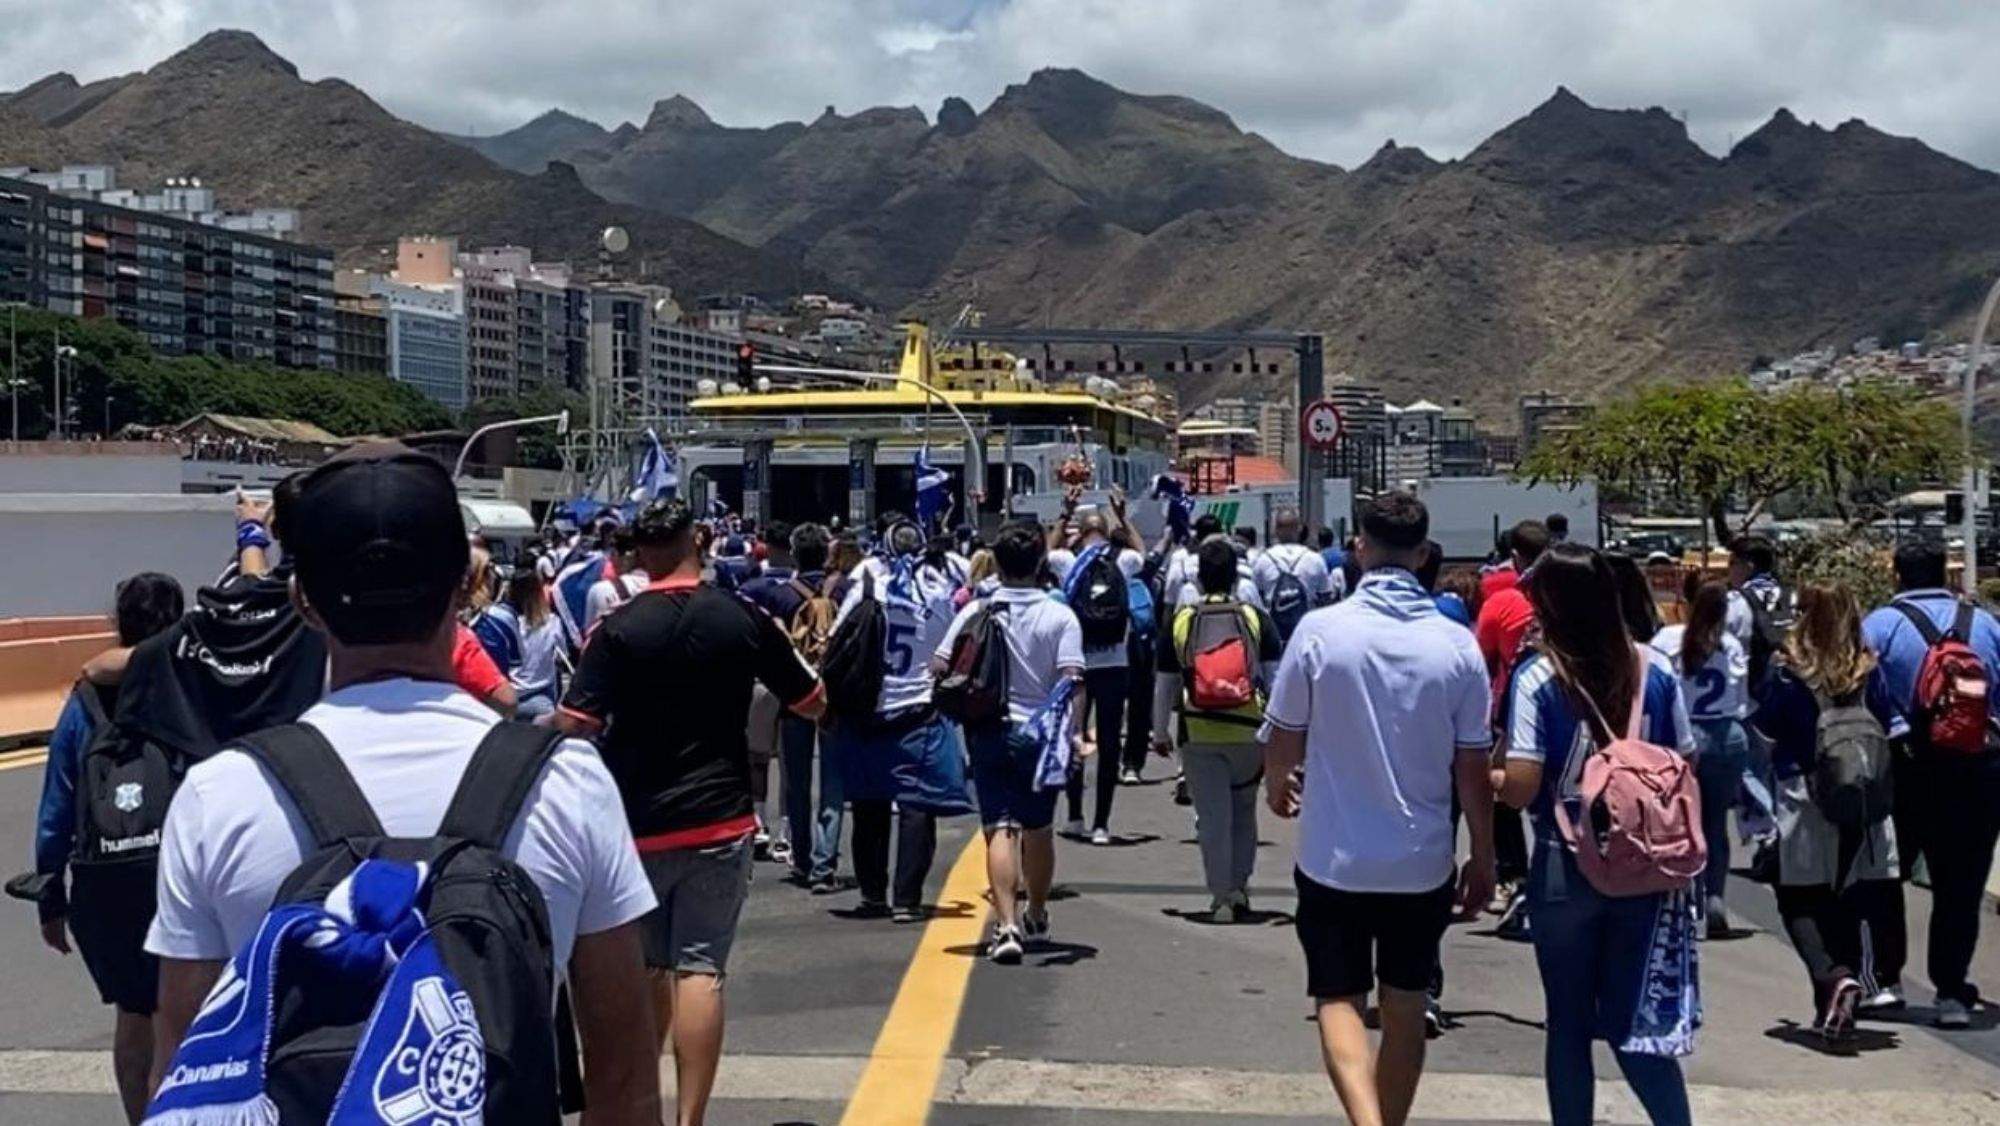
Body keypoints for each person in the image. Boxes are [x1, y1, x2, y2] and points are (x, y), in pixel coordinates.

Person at [148, 444, 663, 1124]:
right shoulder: (567, 781)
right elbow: (625, 1080)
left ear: (304, 600)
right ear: (464, 585)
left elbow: (184, 1074)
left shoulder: (220, 794)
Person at [558, 495, 824, 1124]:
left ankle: (637, 1107)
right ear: (696, 543)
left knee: (647, 969)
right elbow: (811, 698)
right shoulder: (742, 616)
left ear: (640, 554)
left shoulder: (617, 629)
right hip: (721, 817)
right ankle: (691, 1118)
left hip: (638, 825)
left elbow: (574, 722)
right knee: (701, 969)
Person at [1261, 492, 1495, 1126]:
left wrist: (1277, 783)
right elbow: (1473, 766)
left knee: (1338, 998)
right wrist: (1483, 854)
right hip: (1420, 861)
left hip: (1333, 856)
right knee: (1406, 1006)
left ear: (1360, 549)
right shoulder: (1456, 645)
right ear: (1422, 555)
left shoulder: (1321, 632)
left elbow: (1284, 735)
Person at [1497, 542, 1696, 1126]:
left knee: (1568, 1022)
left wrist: (1490, 778)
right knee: (1634, 1018)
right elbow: (1686, 760)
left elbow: (1523, 786)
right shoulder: (1654, 668)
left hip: (1564, 861)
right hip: (1647, 864)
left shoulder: (1539, 676)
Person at [21, 572, 183, 1124]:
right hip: (178, 873)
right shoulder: (191, 689)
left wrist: (51, 897)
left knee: (133, 1014)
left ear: (119, 624)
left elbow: (56, 807)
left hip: (106, 882)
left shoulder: (84, 700)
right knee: (194, 1004)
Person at [1755, 581, 1903, 1040]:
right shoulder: (1868, 669)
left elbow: (1766, 732)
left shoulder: (1787, 670)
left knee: (1797, 897)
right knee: (1850, 899)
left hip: (1804, 794)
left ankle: (1833, 977)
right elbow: (1889, 725)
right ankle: (1839, 1003)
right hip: (1861, 797)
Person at [1861, 539, 2000, 1029]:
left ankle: (1886, 981)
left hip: (1904, 767)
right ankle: (1951, 993)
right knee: (1959, 884)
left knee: (1884, 874)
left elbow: (1861, 694)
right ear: (1944, 573)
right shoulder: (1985, 625)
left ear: (1897, 575)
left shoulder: (1879, 626)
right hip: (1977, 767)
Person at [934, 521, 1085, 962]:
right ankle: (1036, 911)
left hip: (988, 727)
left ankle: (1006, 925)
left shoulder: (977, 610)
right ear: (1041, 562)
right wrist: (1075, 733)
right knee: (1038, 829)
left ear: (997, 564)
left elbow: (940, 665)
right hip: (1040, 733)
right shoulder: (1059, 615)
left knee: (998, 826)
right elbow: (1072, 680)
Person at [827, 517, 972, 921]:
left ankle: (873, 894)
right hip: (918, 708)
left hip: (869, 707)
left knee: (869, 805)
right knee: (917, 805)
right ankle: (907, 899)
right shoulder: (937, 590)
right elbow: (952, 644)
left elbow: (839, 637)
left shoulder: (868, 583)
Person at [1156, 538, 1284, 922]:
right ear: (1235, 577)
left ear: (1198, 577)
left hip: (1199, 732)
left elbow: (1165, 683)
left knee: (1212, 818)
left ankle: (1221, 896)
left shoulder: (1182, 620)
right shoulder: (1254, 617)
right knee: (1244, 810)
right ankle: (1240, 885)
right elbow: (1275, 679)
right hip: (1248, 730)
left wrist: (1159, 731)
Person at [741, 522, 846, 891]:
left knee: (795, 783)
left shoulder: (779, 597)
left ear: (794, 555)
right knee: (832, 784)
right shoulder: (844, 591)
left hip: (794, 699)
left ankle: (801, 858)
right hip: (834, 698)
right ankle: (824, 863)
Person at [1651, 578, 1750, 937]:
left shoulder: (1668, 640)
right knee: (1715, 822)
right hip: (1727, 735)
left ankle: (1686, 899)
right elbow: (1741, 700)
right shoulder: (1730, 645)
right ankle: (1715, 899)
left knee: (1679, 822)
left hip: (1683, 735)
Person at [1047, 498, 1145, 844]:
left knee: (1074, 737)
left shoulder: (1068, 562)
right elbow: (1142, 552)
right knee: (1108, 742)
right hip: (1115, 662)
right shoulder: (1122, 560)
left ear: (1081, 533)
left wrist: (1064, 515)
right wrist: (1123, 517)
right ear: (1105, 531)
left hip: (1078, 664)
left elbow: (1047, 551)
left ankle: (1075, 815)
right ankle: (1102, 824)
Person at [1475, 519, 1548, 926]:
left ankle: (1513, 876)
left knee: (1502, 795)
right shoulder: (1571, 593)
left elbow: (1481, 659)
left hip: (1513, 711)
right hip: (1571, 712)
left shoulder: (1500, 598)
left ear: (1515, 556)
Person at [1254, 508, 1339, 634]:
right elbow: (1325, 600)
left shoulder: (1263, 560)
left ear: (1275, 530)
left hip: (1275, 634)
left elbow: (1256, 601)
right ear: (1299, 529)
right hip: (1307, 632)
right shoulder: (1314, 559)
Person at [503, 561, 565, 720]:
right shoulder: (552, 622)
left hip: (509, 698)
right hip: (542, 698)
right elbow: (562, 655)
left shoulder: (505, 623)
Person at [585, 527, 650, 635]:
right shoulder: (665, 590)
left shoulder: (601, 590)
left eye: (613, 554)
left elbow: (589, 637)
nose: (611, 560)